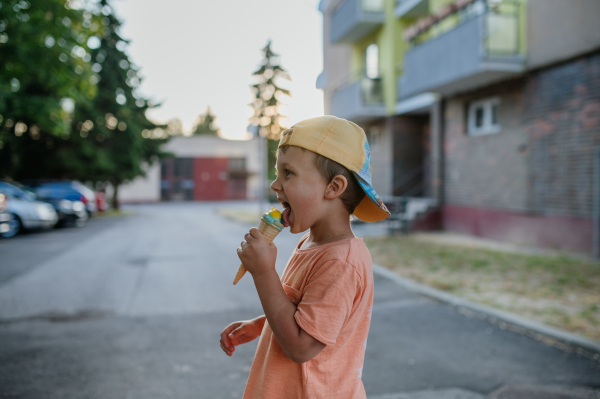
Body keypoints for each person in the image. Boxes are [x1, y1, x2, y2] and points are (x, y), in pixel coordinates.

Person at [219, 116, 390, 398]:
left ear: (333, 188)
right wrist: (263, 325)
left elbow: (302, 346)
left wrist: (263, 273)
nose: (275, 184)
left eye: (288, 173)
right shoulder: (310, 243)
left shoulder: (341, 263)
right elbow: (308, 315)